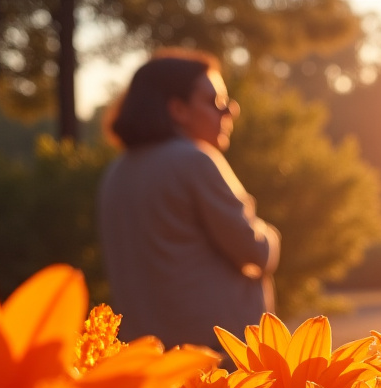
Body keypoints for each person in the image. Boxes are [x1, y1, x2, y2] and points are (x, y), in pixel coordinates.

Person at [99, 49, 279, 350]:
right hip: (213, 360)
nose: (230, 111)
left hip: (148, 355)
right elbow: (255, 250)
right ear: (178, 109)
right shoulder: (195, 160)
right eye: (216, 102)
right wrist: (272, 235)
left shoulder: (116, 172)